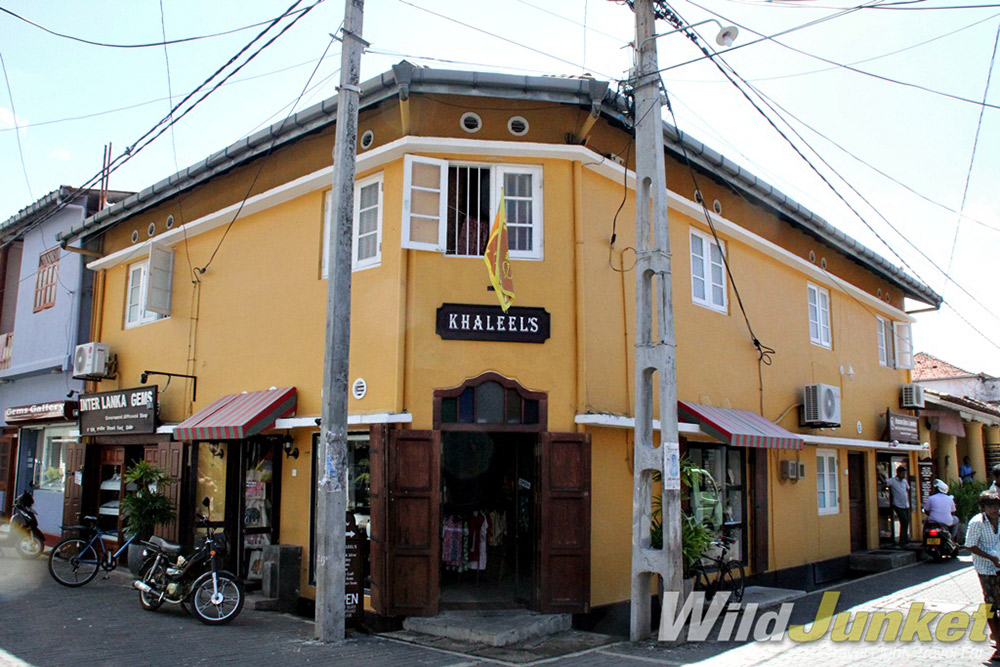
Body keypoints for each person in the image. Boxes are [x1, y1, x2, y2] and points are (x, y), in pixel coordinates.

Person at [964, 490, 1000, 661]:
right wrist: (991, 557)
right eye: (990, 506)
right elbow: (970, 545)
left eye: (996, 506)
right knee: (991, 606)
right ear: (983, 508)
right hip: (986, 569)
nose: (994, 510)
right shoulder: (976, 523)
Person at [885, 465, 911, 546]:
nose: (904, 475)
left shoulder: (904, 481)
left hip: (906, 504)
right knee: (904, 520)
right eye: (903, 473)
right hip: (897, 504)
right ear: (898, 473)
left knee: (906, 522)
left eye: (904, 473)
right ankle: (902, 540)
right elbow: (885, 482)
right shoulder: (893, 481)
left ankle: (905, 538)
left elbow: (907, 489)